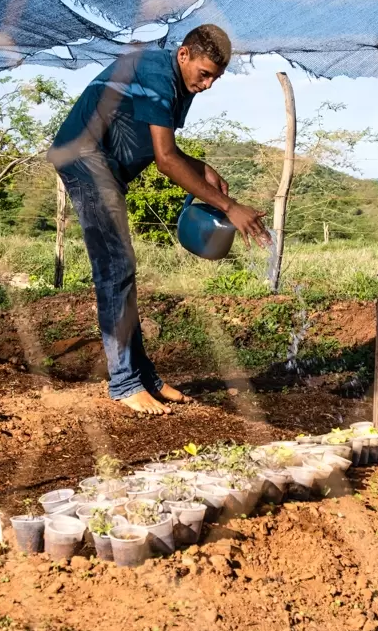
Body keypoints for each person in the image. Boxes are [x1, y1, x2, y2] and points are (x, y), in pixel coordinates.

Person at [48, 24, 269, 416]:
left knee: (123, 268)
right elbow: (165, 160)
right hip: (82, 157)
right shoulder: (155, 70)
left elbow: (162, 146)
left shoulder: (180, 84)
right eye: (204, 74)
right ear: (183, 55)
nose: (208, 85)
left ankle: (142, 375)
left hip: (105, 166)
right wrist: (230, 207)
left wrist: (200, 167)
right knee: (116, 266)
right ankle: (124, 382)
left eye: (215, 78)